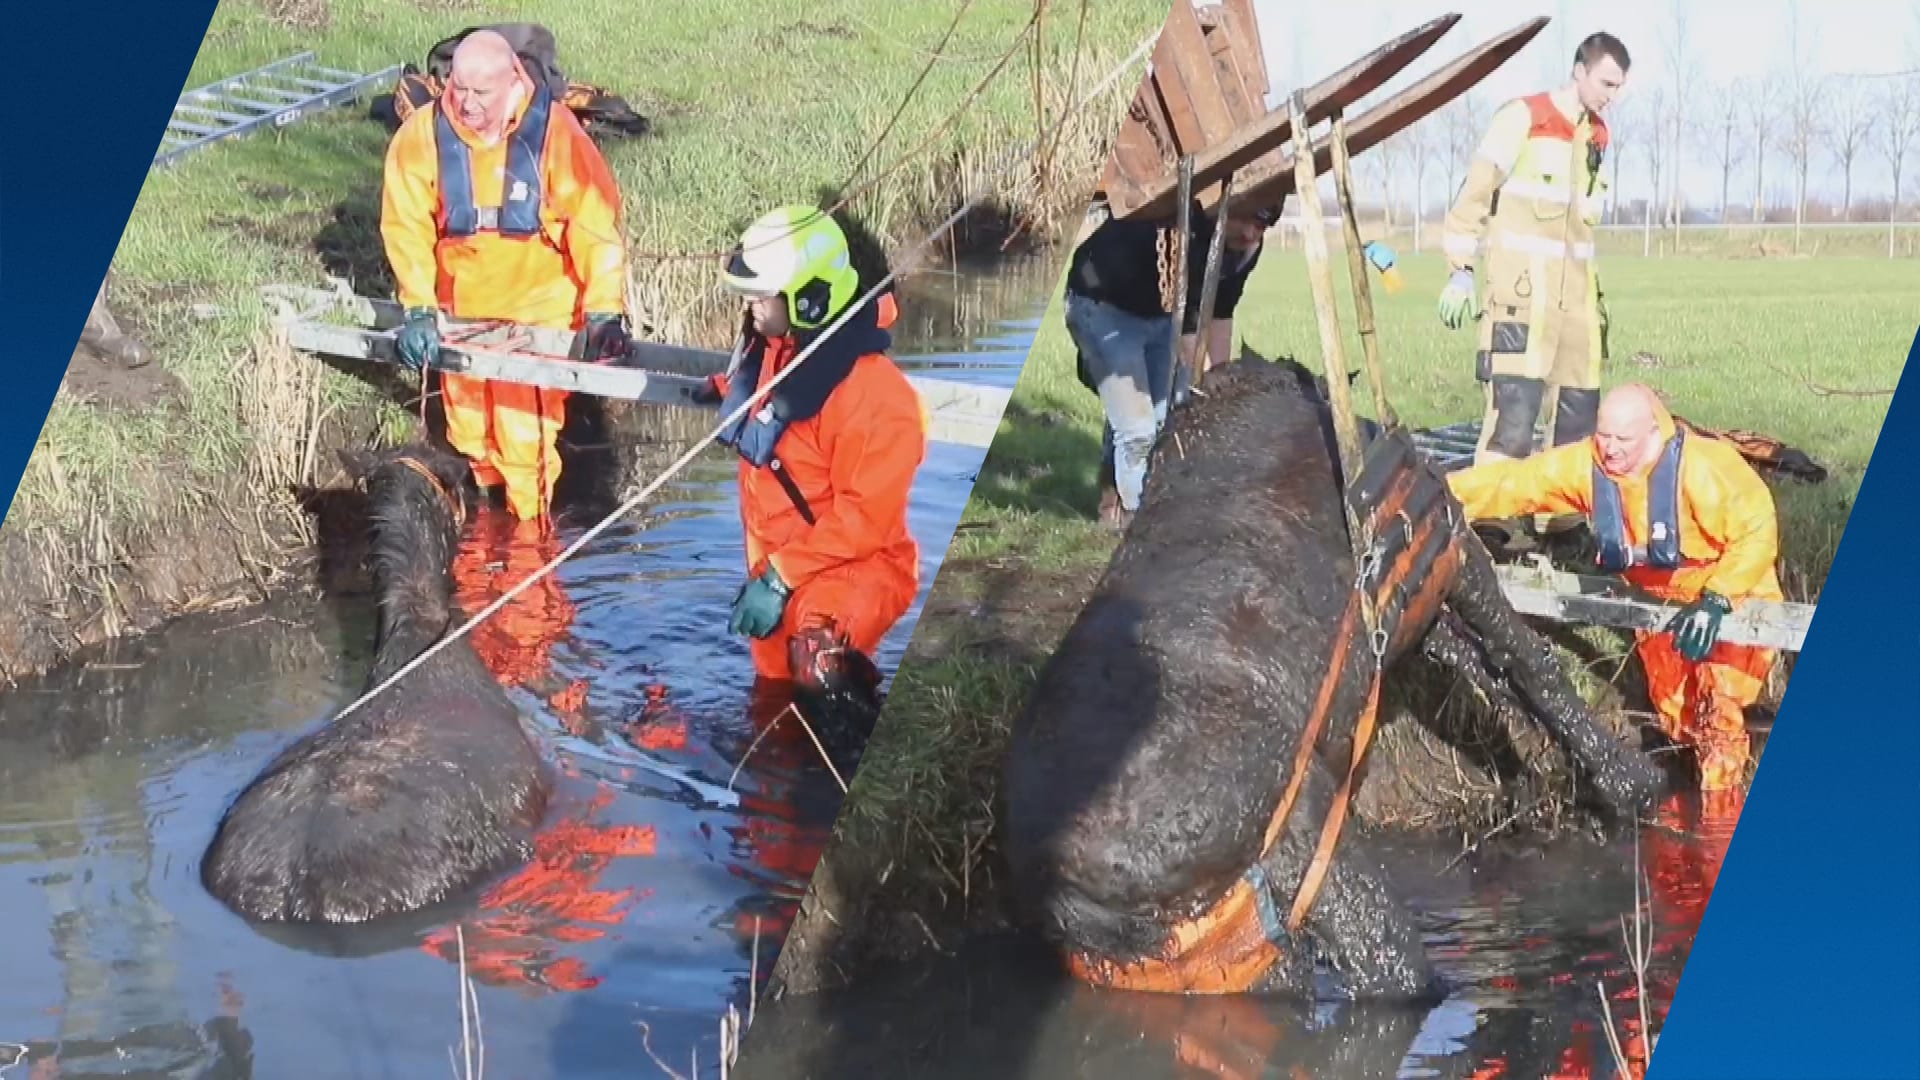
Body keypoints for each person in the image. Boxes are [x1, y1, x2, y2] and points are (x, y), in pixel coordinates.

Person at [1445, 383, 1781, 795]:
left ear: (1653, 433)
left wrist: (1718, 598)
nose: (1610, 449)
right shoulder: (1590, 467)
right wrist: (1438, 495)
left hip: (1735, 598)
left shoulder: (1703, 467)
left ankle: (1719, 821)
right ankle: (1691, 800)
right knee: (1678, 717)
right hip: (1660, 605)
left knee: (1720, 714)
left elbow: (1757, 529)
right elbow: (1517, 484)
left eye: (1623, 439)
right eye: (1604, 436)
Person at [379, 29, 633, 522]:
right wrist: (418, 309)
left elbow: (594, 227)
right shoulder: (421, 139)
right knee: (470, 432)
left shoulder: (555, 136)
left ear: (512, 79)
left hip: (537, 311)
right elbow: (405, 228)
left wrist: (605, 311)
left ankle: (530, 552)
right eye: (459, 89)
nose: (467, 104)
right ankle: (491, 532)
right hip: (464, 310)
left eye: (481, 93)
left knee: (523, 446)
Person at [700, 205, 928, 723]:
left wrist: (781, 579)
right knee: (775, 709)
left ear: (808, 296)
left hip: (855, 571)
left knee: (817, 664)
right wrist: (725, 390)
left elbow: (866, 520)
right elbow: (777, 409)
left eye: (761, 294)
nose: (750, 305)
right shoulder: (781, 356)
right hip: (780, 568)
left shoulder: (876, 396)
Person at [1438, 32, 1629, 474]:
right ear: (1580, 71)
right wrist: (1460, 270)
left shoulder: (1597, 138)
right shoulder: (1523, 119)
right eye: (1606, 84)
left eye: (1619, 87)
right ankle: (1494, 527)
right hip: (1522, 306)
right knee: (1513, 424)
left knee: (1577, 427)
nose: (1613, 97)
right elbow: (1473, 197)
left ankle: (1560, 526)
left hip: (1578, 313)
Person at [1064, 197, 1278, 527]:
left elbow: (1221, 310)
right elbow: (1190, 332)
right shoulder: (1187, 233)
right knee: (1138, 430)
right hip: (1104, 308)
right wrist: (1202, 385)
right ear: (1225, 210)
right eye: (1245, 220)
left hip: (1160, 316)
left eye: (1261, 226)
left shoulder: (1245, 250)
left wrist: (1221, 380)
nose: (1251, 233)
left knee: (1167, 420)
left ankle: (1117, 498)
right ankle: (1145, 527)